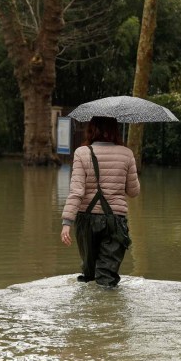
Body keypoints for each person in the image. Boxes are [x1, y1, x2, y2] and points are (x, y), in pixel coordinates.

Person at [60, 116, 140, 287]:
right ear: (114, 130)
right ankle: (108, 309)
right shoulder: (127, 154)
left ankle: (88, 311)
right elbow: (134, 192)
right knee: (107, 278)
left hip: (86, 220)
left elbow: (77, 191)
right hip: (115, 222)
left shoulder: (81, 153)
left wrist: (67, 222)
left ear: (92, 129)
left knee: (89, 275)